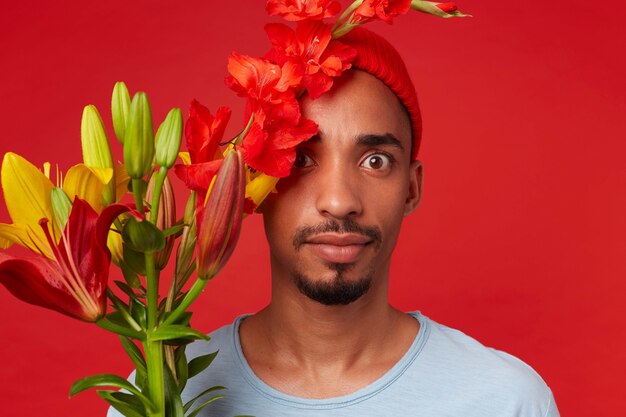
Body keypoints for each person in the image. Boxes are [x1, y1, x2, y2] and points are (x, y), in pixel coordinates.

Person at [109, 28, 559, 417]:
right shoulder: (160, 390)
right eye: (302, 158)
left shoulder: (503, 400)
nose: (340, 201)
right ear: (252, 182)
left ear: (411, 188)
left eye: (376, 160)